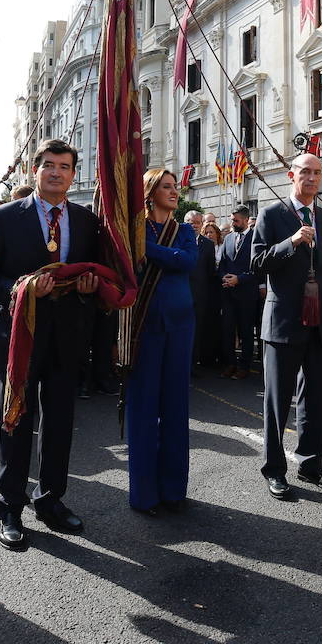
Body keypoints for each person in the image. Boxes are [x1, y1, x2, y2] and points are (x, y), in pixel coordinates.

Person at [0, 138, 102, 551]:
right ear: (34, 169)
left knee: (60, 423)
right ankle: (10, 506)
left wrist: (88, 286)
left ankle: (50, 499)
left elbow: (95, 276)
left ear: (73, 173)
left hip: (66, 337)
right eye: (49, 165)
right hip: (17, 338)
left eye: (65, 166)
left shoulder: (85, 220)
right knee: (14, 423)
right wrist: (24, 289)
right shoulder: (6, 216)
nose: (57, 172)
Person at [252, 153, 322, 500]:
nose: (311, 178)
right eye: (305, 172)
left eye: (317, 173)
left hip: (321, 323)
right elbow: (257, 262)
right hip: (283, 323)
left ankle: (311, 464)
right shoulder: (272, 214)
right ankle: (274, 470)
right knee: (278, 401)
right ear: (291, 175)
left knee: (315, 398)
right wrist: (290, 243)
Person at [127, 169, 199, 515]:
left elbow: (187, 261)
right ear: (149, 191)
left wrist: (148, 250)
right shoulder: (135, 230)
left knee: (175, 408)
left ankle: (173, 490)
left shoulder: (184, 230)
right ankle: (144, 495)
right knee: (143, 409)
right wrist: (151, 250)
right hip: (145, 325)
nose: (174, 192)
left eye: (174, 187)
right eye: (166, 187)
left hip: (181, 325)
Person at [219, 205, 258, 380]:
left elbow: (257, 268)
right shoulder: (227, 239)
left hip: (247, 294)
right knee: (227, 330)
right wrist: (224, 278)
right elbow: (223, 265)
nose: (233, 222)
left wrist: (239, 279)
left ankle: (244, 366)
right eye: (231, 219)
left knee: (246, 332)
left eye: (236, 220)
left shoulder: (256, 237)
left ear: (245, 219)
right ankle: (230, 364)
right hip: (228, 294)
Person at [184, 210, 220, 371]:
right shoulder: (177, 241)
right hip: (181, 293)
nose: (194, 226)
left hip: (200, 295)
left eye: (197, 223)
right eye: (191, 223)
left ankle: (193, 364)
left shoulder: (208, 244)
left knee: (197, 331)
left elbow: (210, 272)